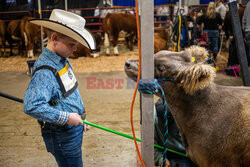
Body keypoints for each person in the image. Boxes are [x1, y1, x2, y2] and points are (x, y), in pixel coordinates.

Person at [23, 9, 96, 167]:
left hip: (73, 127)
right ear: (55, 38)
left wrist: (81, 117)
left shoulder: (62, 59)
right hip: (63, 134)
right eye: (71, 44)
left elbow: (69, 92)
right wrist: (68, 118)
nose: (75, 49)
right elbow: (32, 105)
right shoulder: (45, 71)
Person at [154, 98, 197, 167]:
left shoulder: (192, 115)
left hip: (193, 154)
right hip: (171, 155)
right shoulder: (152, 119)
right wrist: (161, 160)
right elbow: (152, 147)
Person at [242, 0, 250, 66]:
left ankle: (247, 68)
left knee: (248, 51)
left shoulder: (248, 5)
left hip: (248, 31)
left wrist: (244, 30)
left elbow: (243, 19)